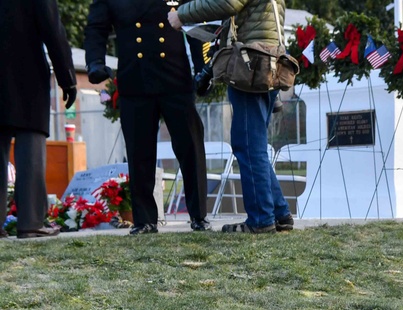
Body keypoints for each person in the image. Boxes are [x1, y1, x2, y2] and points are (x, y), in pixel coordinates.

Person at [84, 0, 211, 234]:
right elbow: (96, 28)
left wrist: (204, 68)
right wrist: (95, 62)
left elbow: (195, 20)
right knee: (139, 152)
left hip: (174, 77)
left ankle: (199, 215)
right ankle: (145, 220)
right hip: (135, 79)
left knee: (190, 146)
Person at [169, 0, 295, 234]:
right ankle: (279, 213)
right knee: (254, 144)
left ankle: (261, 220)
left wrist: (182, 15)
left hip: (251, 63)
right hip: (267, 60)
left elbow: (227, 2)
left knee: (248, 144)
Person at [0, 0, 75, 239]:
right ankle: (31, 221)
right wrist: (68, 78)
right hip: (27, 77)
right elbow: (53, 30)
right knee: (31, 151)